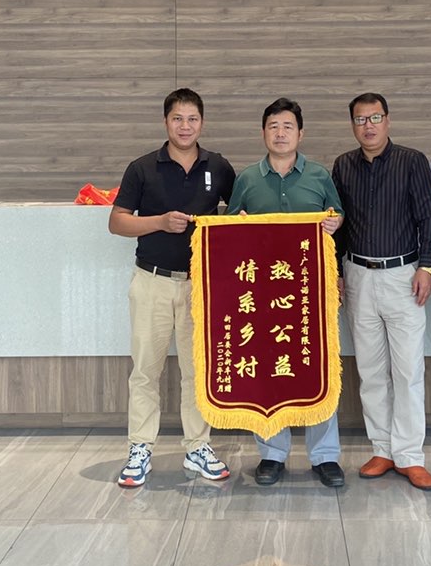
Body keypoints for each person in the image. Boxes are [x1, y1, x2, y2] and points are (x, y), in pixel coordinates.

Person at [109, 88, 237, 487]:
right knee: (145, 371)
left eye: (192, 119)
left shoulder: (219, 166)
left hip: (201, 287)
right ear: (166, 122)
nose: (185, 126)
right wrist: (160, 222)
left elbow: (238, 216)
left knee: (197, 373)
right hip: (152, 282)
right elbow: (117, 222)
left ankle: (197, 446)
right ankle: (140, 448)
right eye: (178, 118)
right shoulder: (142, 168)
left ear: (203, 123)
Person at [226, 97, 346, 488]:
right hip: (262, 292)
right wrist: (238, 223)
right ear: (263, 133)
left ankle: (325, 456)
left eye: (288, 126)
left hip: (311, 291)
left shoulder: (319, 175)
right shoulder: (247, 178)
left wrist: (334, 222)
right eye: (273, 126)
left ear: (301, 133)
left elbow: (339, 215)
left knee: (317, 368)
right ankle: (272, 454)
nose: (280, 133)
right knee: (268, 368)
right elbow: (227, 229)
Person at [332, 92, 431, 491]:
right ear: (353, 125)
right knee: (372, 370)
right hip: (357, 275)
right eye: (361, 119)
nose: (369, 126)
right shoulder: (343, 165)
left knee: (408, 370)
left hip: (403, 275)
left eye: (375, 118)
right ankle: (382, 449)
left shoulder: (412, 162)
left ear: (388, 120)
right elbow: (337, 224)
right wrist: (336, 272)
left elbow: (430, 217)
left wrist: (427, 266)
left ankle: (410, 455)